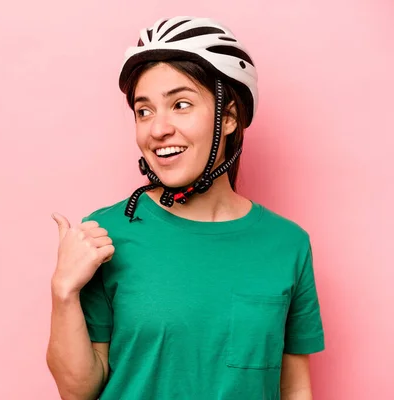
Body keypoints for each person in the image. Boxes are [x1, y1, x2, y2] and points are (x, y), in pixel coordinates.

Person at [46, 16, 325, 400]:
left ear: (228, 119)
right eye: (144, 111)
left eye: (180, 105)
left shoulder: (287, 244)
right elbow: (78, 392)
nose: (157, 129)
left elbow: (294, 386)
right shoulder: (105, 234)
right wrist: (63, 291)